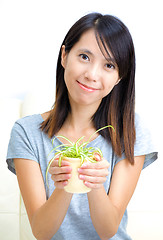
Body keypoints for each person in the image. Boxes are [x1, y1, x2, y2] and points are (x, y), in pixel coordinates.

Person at [6, 12, 158, 240]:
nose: (92, 75)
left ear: (119, 77)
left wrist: (94, 185)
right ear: (65, 55)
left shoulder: (131, 129)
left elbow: (108, 230)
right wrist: (63, 186)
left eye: (109, 65)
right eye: (85, 57)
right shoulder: (26, 132)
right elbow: (41, 231)